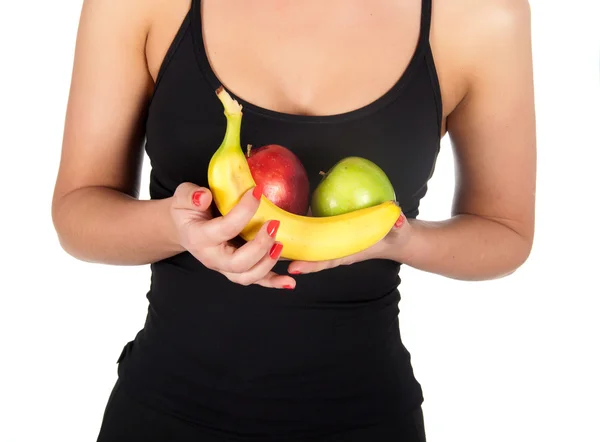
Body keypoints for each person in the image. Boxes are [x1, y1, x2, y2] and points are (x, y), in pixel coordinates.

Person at [51, 0, 536, 440]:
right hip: (163, 415)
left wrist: (401, 242)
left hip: (366, 420)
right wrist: (175, 227)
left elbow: (506, 234)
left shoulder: (481, 16)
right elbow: (77, 212)